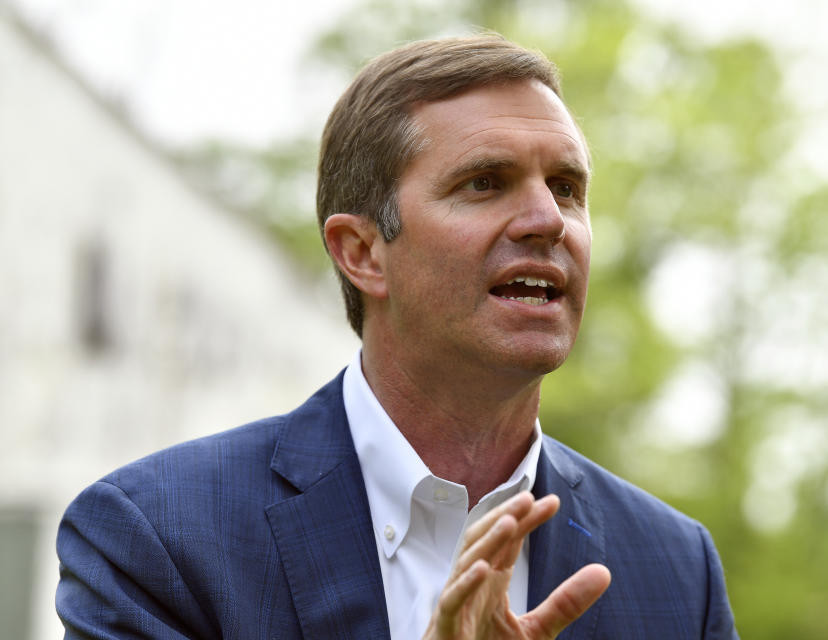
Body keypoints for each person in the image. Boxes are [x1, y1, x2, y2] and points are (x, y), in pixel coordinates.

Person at [56, 35, 738, 639]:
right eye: (485, 183)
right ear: (361, 252)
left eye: (565, 187)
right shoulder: (157, 540)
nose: (546, 220)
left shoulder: (677, 569)